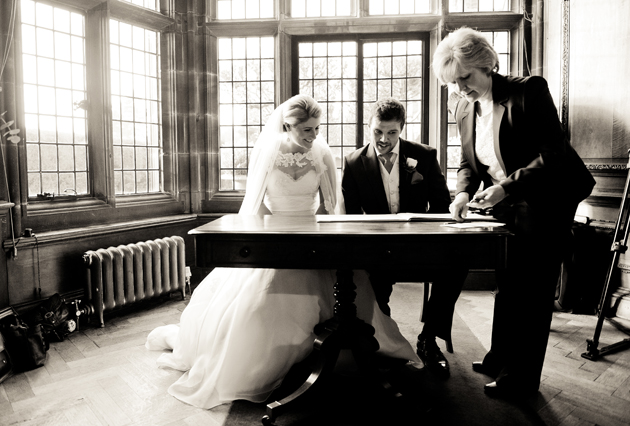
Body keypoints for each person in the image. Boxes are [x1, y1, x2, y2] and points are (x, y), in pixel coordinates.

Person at [146, 94, 420, 409]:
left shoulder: (321, 153)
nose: (314, 135)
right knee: (259, 307)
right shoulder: (268, 152)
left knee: (347, 298)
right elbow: (257, 204)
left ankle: (342, 353)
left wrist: (338, 247)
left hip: (316, 238)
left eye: (317, 128)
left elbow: (333, 208)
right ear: (288, 125)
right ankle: (268, 367)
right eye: (306, 130)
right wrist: (263, 245)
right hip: (275, 238)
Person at [433, 27, 595, 397]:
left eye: (465, 78)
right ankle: (499, 359)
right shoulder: (462, 106)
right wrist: (461, 194)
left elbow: (553, 153)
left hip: (548, 198)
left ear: (487, 63)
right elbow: (468, 164)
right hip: (508, 202)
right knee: (507, 284)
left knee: (533, 290)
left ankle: (520, 381)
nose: (460, 89)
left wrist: (506, 186)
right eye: (452, 83)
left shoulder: (529, 91)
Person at [341, 97, 468, 378]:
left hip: (418, 245)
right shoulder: (353, 163)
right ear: (369, 127)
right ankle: (380, 341)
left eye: (391, 133)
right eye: (377, 132)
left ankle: (428, 339)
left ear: (402, 128)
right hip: (377, 249)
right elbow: (351, 216)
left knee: (456, 267)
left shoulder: (424, 155)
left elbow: (438, 205)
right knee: (370, 281)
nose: (383, 139)